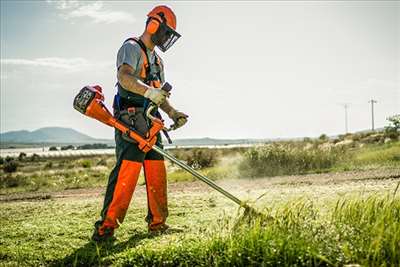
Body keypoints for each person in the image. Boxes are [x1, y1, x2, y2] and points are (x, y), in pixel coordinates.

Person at [92, 5, 188, 242]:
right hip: (131, 120)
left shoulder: (158, 60)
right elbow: (124, 77)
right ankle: (105, 228)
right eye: (166, 32)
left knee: (157, 173)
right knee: (127, 175)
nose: (166, 38)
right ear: (154, 24)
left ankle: (158, 224)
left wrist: (174, 113)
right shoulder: (131, 48)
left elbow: (159, 95)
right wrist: (148, 92)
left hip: (152, 122)